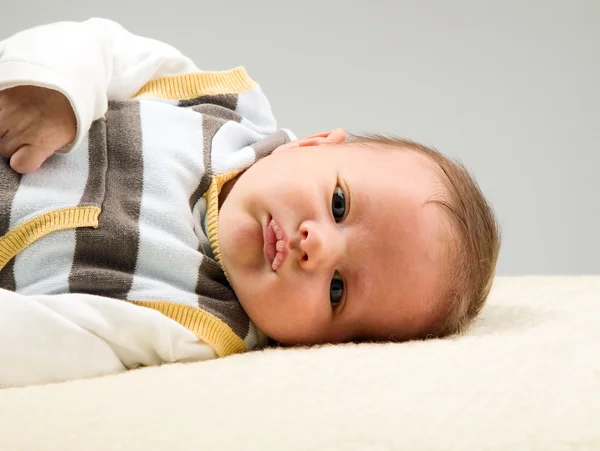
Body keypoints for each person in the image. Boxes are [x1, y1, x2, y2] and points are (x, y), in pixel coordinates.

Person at [0, 18, 500, 387]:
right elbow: (99, 45)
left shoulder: (193, 325)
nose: (316, 246)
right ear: (314, 143)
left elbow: (48, 341)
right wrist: (53, 90)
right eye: (340, 205)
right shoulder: (219, 107)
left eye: (337, 291)